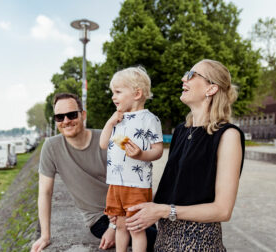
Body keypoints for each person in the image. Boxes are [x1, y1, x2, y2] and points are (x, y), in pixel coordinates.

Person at [125, 59, 245, 251]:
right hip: (164, 240)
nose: (183, 79)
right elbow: (179, 189)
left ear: (211, 89)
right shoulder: (181, 131)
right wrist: (139, 202)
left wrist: (163, 210)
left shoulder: (228, 136)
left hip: (198, 243)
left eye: (191, 75)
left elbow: (223, 210)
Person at [30, 93, 157, 252]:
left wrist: (114, 227)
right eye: (59, 117)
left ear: (83, 115)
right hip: (99, 219)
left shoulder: (107, 138)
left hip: (126, 206)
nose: (66, 121)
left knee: (156, 234)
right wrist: (45, 236)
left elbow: (132, 178)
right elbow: (45, 192)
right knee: (155, 237)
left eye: (71, 115)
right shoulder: (51, 147)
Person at [99, 66, 164, 252]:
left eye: (118, 92)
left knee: (136, 228)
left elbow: (158, 150)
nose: (113, 97)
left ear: (137, 93)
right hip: (115, 183)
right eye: (113, 92)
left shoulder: (149, 119)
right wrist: (110, 122)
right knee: (120, 226)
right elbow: (103, 144)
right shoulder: (117, 119)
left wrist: (141, 155)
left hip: (137, 184)